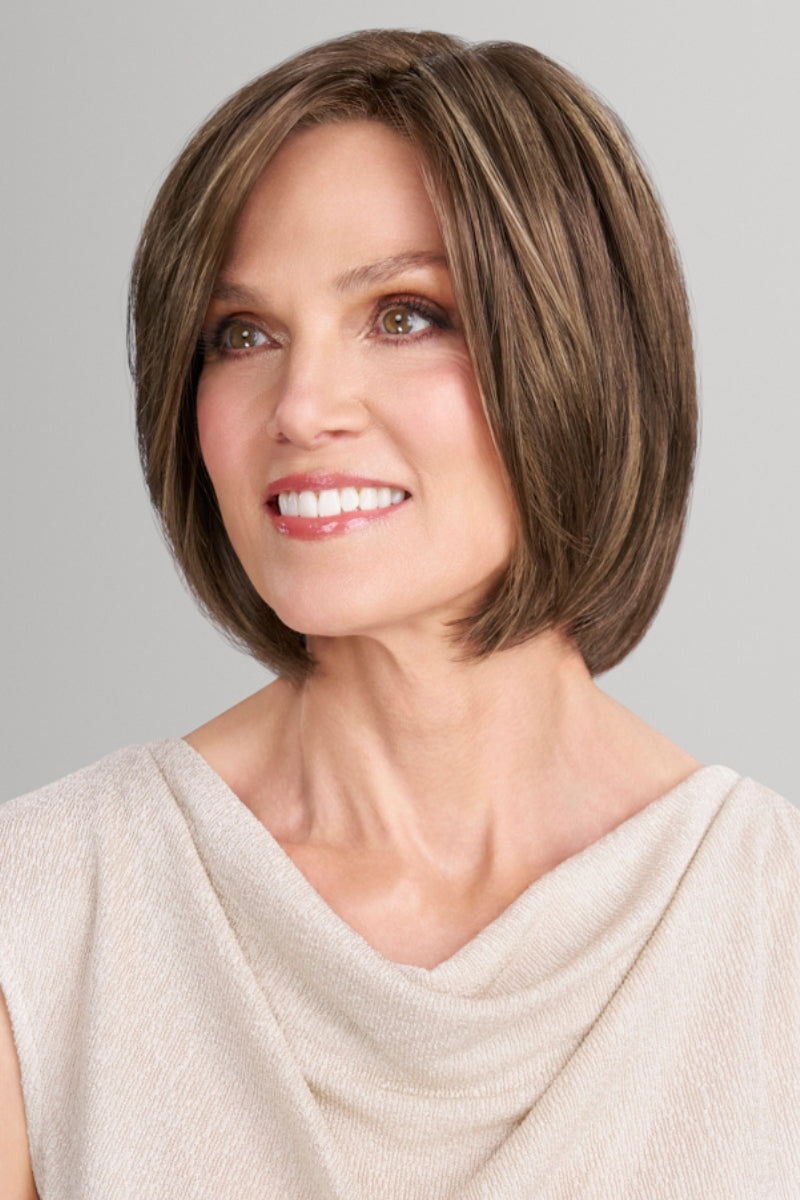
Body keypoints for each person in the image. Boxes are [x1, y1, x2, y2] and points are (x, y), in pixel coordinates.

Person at [1, 28, 797, 1200]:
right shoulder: (42, 917)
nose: (300, 406)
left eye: (403, 314)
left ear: (580, 350)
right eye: (242, 334)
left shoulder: (773, 933)